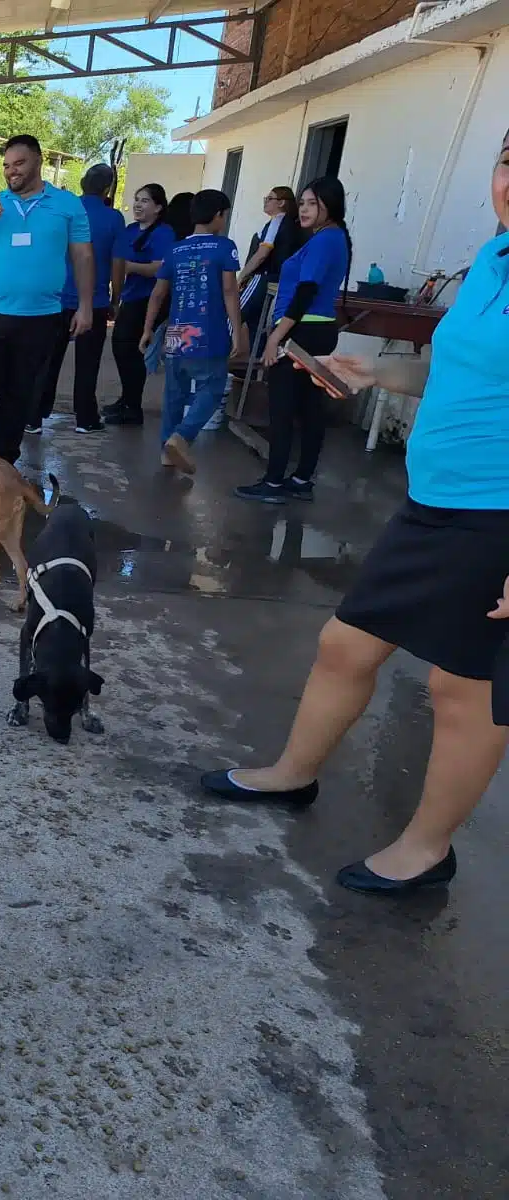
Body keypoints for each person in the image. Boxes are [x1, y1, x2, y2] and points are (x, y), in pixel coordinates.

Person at [201, 129, 509, 896]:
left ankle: (427, 850)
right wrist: (375, 371)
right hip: (434, 502)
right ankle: (292, 774)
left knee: (462, 692)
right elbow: (449, 368)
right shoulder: (493, 262)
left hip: (498, 514)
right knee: (345, 645)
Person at [0, 135, 93, 464]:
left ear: (38, 161)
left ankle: (3, 469)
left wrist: (85, 306)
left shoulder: (67, 205)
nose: (11, 172)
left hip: (42, 319)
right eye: (6, 166)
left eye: (19, 164)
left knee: (20, 397)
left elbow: (83, 256)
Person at [234, 176, 353, 504]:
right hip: (315, 330)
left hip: (302, 331)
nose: (303, 209)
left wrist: (275, 336)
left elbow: (306, 291)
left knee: (283, 408)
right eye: (301, 203)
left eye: (313, 203)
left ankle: (273, 483)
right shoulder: (330, 237)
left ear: (330, 205)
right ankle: (301, 479)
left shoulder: (326, 240)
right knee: (309, 408)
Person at [139, 189, 247, 474]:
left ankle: (166, 450)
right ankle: (182, 436)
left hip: (177, 333)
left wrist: (148, 329)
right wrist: (237, 330)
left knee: (174, 392)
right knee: (212, 388)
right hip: (209, 333)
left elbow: (158, 294)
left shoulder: (174, 250)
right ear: (219, 216)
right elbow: (229, 290)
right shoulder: (225, 247)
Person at [31, 163, 124, 434]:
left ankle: (34, 416)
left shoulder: (65, 210)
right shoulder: (113, 218)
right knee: (88, 363)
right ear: (107, 188)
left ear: (83, 182)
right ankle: (85, 418)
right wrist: (115, 299)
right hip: (93, 302)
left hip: (56, 300)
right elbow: (118, 263)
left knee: (47, 360)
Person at [104, 184, 175, 427]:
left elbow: (160, 267)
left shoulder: (164, 233)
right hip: (131, 296)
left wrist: (131, 267)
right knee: (121, 349)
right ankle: (126, 399)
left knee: (129, 350)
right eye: (136, 199)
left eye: (145, 201)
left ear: (158, 207)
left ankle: (133, 408)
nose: (138, 205)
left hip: (150, 298)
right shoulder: (131, 229)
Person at [237, 185, 303, 355]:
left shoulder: (278, 220)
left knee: (234, 314)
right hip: (277, 282)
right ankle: (254, 372)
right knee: (257, 326)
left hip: (264, 278)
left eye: (270, 198)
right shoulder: (289, 224)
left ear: (281, 203)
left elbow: (262, 253)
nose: (266, 201)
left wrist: (242, 276)